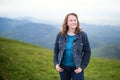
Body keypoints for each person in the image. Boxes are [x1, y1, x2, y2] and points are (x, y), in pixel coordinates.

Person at [53, 13, 91, 80]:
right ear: (67, 23)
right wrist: (56, 64)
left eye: (75, 20)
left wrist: (81, 67)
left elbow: (87, 52)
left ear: (77, 22)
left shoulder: (83, 35)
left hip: (77, 68)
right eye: (71, 20)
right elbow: (56, 50)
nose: (73, 22)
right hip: (63, 68)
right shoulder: (60, 35)